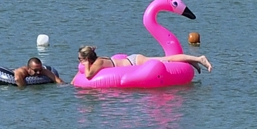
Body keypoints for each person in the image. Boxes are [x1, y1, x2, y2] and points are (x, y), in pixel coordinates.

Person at [78, 45, 212, 79]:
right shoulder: (99, 60)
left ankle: (199, 59)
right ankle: (191, 61)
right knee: (167, 60)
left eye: (80, 59)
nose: (79, 61)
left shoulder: (98, 63)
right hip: (132, 60)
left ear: (87, 58)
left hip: (135, 62)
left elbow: (89, 75)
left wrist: (85, 65)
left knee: (167, 59)